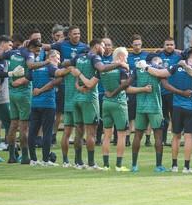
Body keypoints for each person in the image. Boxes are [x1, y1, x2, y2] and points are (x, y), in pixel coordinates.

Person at [70, 39, 125, 170]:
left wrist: (78, 85)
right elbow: (102, 68)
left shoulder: (78, 56)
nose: (104, 48)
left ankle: (78, 162)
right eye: (103, 46)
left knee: (78, 131)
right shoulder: (94, 57)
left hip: (76, 97)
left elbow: (72, 69)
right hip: (89, 98)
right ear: (96, 46)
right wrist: (119, 64)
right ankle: (91, 163)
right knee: (91, 133)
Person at [148, 49, 192, 173]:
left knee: (176, 136)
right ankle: (187, 167)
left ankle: (174, 166)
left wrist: (146, 67)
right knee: (188, 137)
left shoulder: (175, 67)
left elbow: (159, 73)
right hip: (191, 107)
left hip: (176, 106)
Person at [99, 47, 149, 171]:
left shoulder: (104, 69)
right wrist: (143, 89)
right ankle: (118, 165)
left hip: (106, 103)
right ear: (121, 57)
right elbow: (126, 88)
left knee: (106, 135)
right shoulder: (121, 69)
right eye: (126, 57)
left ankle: (105, 165)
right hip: (119, 103)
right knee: (121, 135)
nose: (126, 60)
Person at [46, 26, 89, 167]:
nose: (77, 35)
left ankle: (69, 161)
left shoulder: (67, 68)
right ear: (68, 35)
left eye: (79, 33)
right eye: (74, 33)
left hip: (71, 98)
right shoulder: (76, 68)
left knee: (70, 131)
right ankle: (76, 160)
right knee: (76, 131)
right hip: (75, 99)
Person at [28, 50, 72, 166]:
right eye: (57, 58)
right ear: (51, 58)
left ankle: (33, 159)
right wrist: (70, 69)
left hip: (35, 104)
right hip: (47, 103)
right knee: (47, 131)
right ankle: (45, 160)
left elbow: (27, 78)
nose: (59, 61)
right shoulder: (50, 67)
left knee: (32, 131)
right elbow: (59, 73)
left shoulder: (36, 68)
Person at [130, 56, 168, 173]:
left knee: (137, 135)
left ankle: (134, 165)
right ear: (156, 61)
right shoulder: (157, 69)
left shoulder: (137, 70)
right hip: (155, 107)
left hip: (140, 107)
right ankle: (158, 166)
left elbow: (128, 84)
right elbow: (166, 85)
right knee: (158, 136)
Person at [157, 37, 182, 147]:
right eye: (167, 44)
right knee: (163, 118)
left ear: (174, 46)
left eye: (171, 44)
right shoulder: (159, 56)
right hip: (161, 92)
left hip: (173, 92)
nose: (169, 46)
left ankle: (175, 139)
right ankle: (163, 140)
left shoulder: (179, 56)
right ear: (164, 45)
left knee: (175, 117)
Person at [127, 34, 150, 147]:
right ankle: (127, 138)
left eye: (139, 44)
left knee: (146, 113)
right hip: (132, 88)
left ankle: (148, 138)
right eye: (135, 44)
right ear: (131, 45)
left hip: (144, 88)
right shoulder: (128, 57)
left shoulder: (146, 55)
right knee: (130, 115)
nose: (137, 46)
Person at [95, 37, 114, 146]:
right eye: (104, 45)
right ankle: (98, 138)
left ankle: (117, 139)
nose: (107, 47)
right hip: (100, 91)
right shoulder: (97, 58)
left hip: (112, 91)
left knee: (115, 116)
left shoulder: (115, 57)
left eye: (109, 45)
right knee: (100, 117)